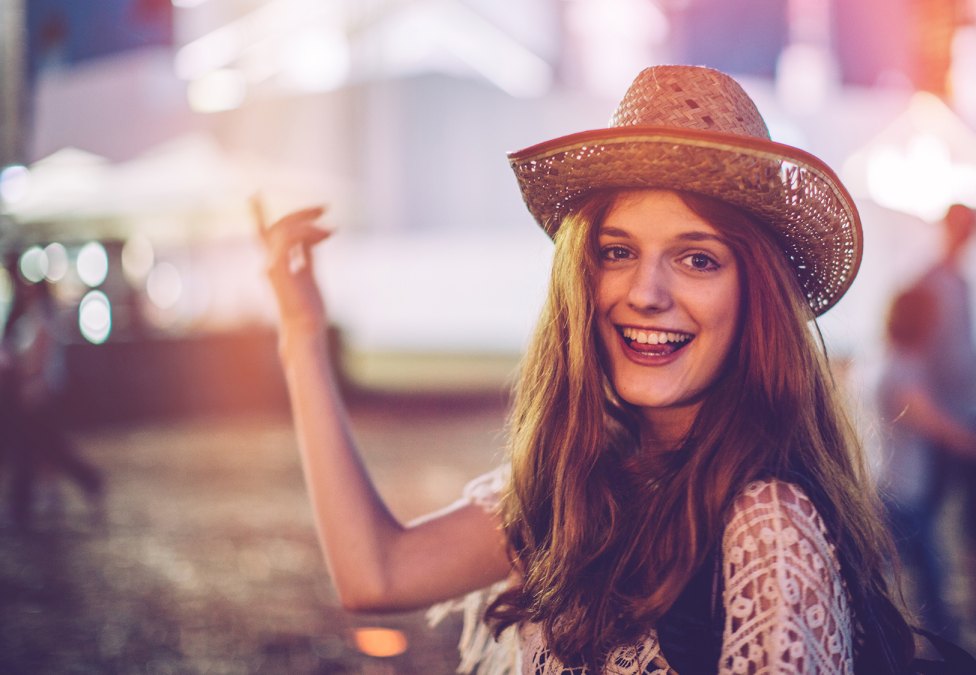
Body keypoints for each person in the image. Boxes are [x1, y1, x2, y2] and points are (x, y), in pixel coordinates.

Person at [257, 65, 931, 674]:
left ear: (754, 293)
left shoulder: (767, 521)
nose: (646, 292)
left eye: (697, 258)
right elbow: (376, 573)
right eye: (617, 251)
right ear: (581, 276)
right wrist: (301, 337)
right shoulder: (578, 485)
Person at [873, 284, 976, 641]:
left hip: (892, 492)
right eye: (935, 321)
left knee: (909, 583)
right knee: (918, 585)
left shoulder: (885, 360)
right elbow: (940, 428)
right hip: (899, 498)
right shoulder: (900, 371)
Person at [904, 205, 976, 633]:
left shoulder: (960, 281)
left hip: (971, 412)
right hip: (945, 420)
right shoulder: (929, 282)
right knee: (920, 518)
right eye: (961, 227)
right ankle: (927, 610)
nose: (966, 235)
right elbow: (915, 349)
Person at [1, 271, 106, 530]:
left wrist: (24, 374)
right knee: (43, 447)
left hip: (38, 393)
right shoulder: (41, 315)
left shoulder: (42, 318)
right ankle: (83, 482)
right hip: (37, 392)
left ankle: (87, 480)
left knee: (43, 447)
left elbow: (38, 355)